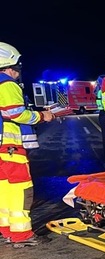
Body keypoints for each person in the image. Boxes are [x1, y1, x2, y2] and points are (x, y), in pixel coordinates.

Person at [0, 42, 55, 247]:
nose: (18, 73)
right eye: (17, 68)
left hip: (2, 148)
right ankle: (21, 234)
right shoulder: (7, 84)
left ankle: (7, 230)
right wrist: (42, 116)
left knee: (4, 189)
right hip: (11, 147)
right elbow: (16, 113)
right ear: (10, 67)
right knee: (21, 188)